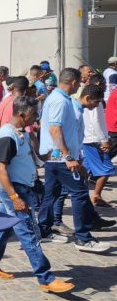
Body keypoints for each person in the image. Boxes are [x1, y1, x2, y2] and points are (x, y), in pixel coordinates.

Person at [0, 96, 74, 292]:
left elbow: (30, 158)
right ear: (21, 114)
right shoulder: (7, 136)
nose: (36, 118)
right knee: (29, 233)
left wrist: (43, 154)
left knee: (5, 227)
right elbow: (1, 171)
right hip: (14, 190)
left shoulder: (20, 132)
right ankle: (45, 278)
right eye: (33, 115)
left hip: (20, 188)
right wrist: (15, 197)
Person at [37, 68, 113, 253]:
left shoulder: (61, 99)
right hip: (62, 159)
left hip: (56, 157)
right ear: (73, 82)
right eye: (79, 83)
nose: (79, 86)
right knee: (79, 194)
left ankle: (43, 230)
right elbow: (55, 129)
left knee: (51, 194)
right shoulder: (60, 101)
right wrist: (69, 157)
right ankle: (83, 238)